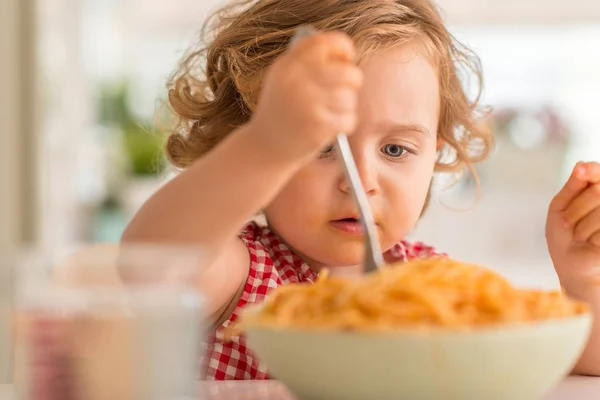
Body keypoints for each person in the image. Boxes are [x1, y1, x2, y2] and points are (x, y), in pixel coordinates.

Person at [122, 0, 600, 380]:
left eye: (395, 150)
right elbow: (154, 262)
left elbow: (579, 363)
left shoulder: (433, 287)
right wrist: (267, 145)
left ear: (434, 154)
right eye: (321, 146)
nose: (362, 182)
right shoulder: (244, 273)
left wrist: (584, 282)